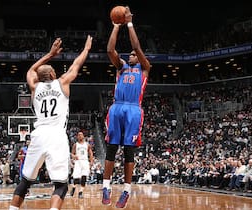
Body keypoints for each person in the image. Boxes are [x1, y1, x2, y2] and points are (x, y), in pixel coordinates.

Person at [9, 35, 93, 210]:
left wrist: (50, 54)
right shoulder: (62, 82)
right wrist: (86, 50)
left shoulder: (34, 86)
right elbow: (76, 65)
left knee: (25, 182)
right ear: (53, 74)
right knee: (61, 185)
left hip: (38, 135)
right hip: (56, 136)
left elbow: (31, 70)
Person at [102, 6, 151, 208]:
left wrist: (129, 23)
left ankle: (126, 190)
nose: (130, 55)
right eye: (129, 54)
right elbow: (109, 50)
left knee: (129, 151)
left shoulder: (145, 68)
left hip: (133, 109)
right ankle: (106, 187)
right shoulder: (121, 67)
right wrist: (115, 26)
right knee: (112, 148)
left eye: (133, 54)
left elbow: (137, 47)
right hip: (117, 108)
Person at [69, 131, 94, 198]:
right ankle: (73, 188)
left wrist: (91, 161)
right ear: (77, 137)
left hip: (85, 161)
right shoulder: (75, 145)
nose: (80, 136)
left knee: (84, 177)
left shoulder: (87, 144)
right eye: (78, 135)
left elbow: (90, 153)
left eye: (81, 135)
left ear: (83, 136)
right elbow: (72, 153)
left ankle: (80, 192)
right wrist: (73, 156)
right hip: (78, 162)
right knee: (76, 178)